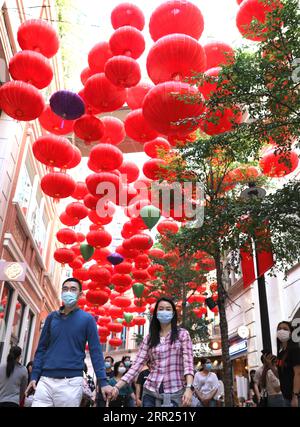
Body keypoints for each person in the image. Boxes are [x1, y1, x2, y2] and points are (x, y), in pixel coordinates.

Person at [25, 277, 113, 407]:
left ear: (80, 294)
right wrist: (34, 376)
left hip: (71, 383)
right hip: (45, 381)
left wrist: (103, 382)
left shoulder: (88, 320)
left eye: (73, 289)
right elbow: (41, 349)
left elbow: (95, 352)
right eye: (65, 289)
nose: (68, 292)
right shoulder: (51, 318)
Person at [111, 297, 194, 407]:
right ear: (156, 313)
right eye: (161, 309)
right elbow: (137, 365)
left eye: (168, 309)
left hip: (175, 391)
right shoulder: (149, 338)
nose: (165, 311)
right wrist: (117, 386)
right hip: (150, 392)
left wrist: (188, 387)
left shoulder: (182, 334)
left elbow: (188, 363)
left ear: (173, 313)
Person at [276, 321, 300, 407]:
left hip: (295, 396)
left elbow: (298, 373)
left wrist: (295, 396)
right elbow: (280, 374)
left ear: (291, 333)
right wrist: (270, 366)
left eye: (285, 329)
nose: (281, 331)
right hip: (286, 396)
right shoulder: (281, 353)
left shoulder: (294, 349)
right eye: (279, 329)